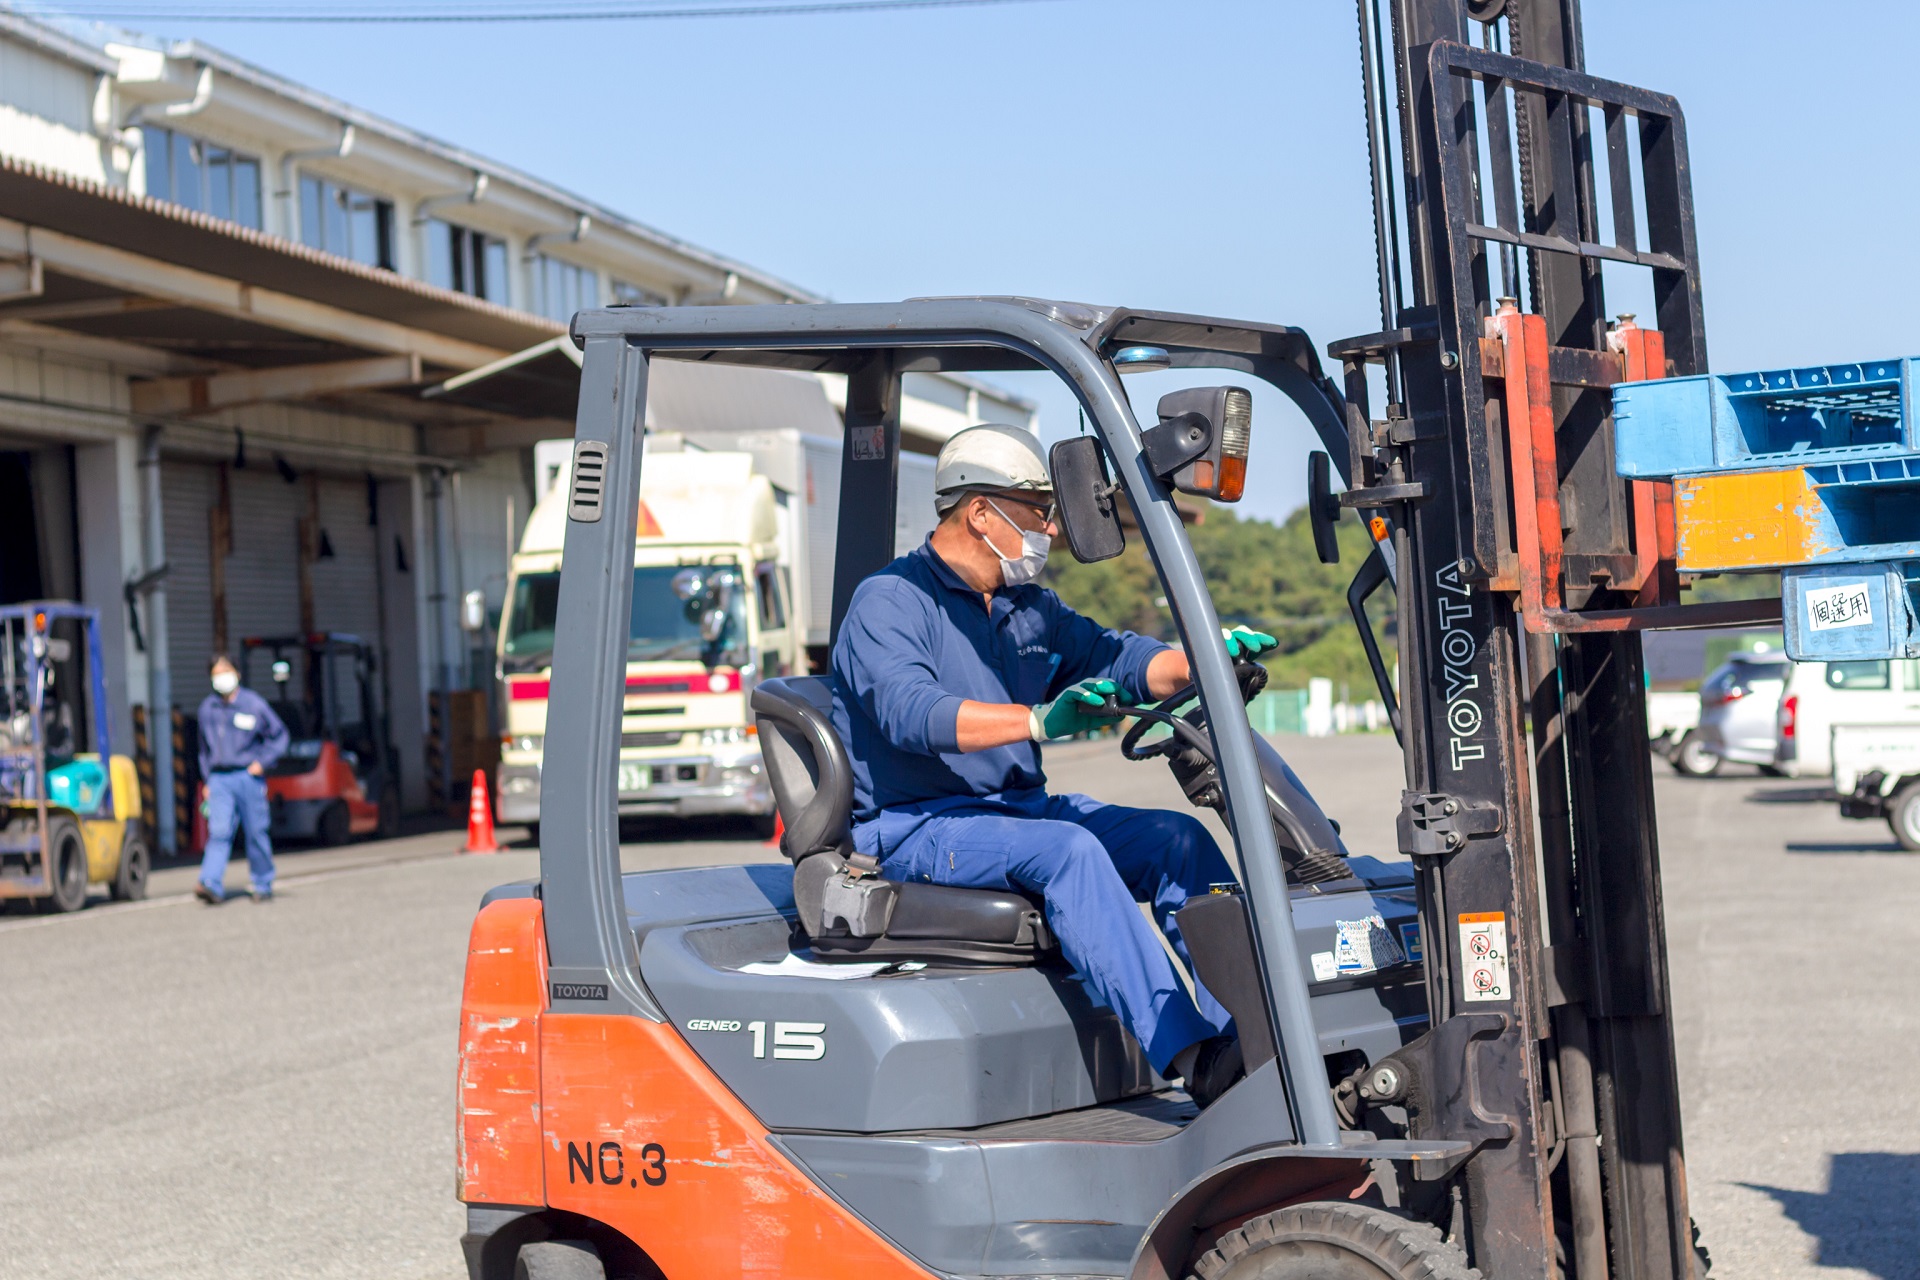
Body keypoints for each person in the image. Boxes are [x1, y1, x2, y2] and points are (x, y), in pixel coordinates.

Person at [831, 424, 1278, 1107]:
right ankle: (1198, 1062)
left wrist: (1200, 659)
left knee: (1177, 839)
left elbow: (1118, 659)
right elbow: (912, 714)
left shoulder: (1025, 608)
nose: (1048, 527)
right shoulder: (890, 601)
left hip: (1016, 812)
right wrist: (1038, 721)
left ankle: (1256, 1041)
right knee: (1068, 851)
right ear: (981, 513)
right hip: (919, 825)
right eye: (1036, 510)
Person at [194, 653, 289, 904]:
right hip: (219, 779)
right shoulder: (207, 709)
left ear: (237, 673)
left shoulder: (253, 704)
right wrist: (207, 780)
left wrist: (262, 762)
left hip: (247, 776)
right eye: (216, 673)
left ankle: (263, 883)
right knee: (219, 832)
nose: (221, 677)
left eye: (225, 671)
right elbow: (203, 750)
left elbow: (279, 736)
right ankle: (210, 883)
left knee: (256, 832)